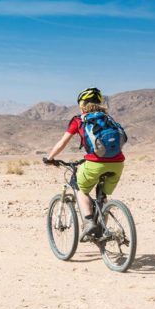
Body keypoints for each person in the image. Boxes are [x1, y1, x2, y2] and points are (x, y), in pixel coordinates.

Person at [44, 87, 126, 240]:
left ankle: (89, 222)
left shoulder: (79, 120)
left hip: (95, 162)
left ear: (82, 104)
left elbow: (63, 143)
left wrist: (50, 157)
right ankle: (103, 231)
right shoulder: (108, 119)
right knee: (103, 196)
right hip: (118, 163)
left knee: (80, 188)